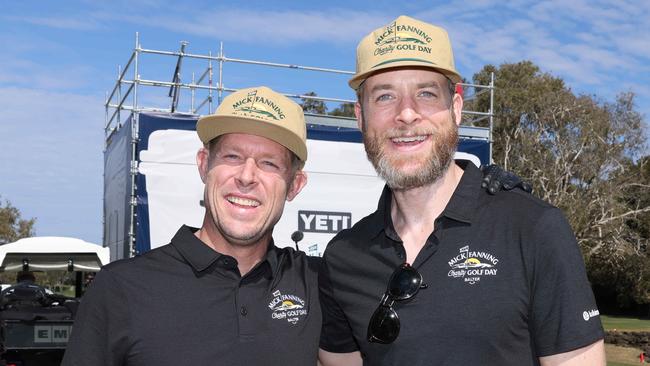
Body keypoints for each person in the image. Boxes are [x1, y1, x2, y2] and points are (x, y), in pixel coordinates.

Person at [318, 15, 605, 366]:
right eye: (384, 96)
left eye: (425, 93)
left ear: (456, 107)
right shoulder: (343, 257)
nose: (406, 114)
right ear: (360, 117)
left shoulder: (533, 229)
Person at [62, 86, 320, 365]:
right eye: (232, 156)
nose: (247, 176)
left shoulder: (318, 285)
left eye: (269, 163)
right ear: (203, 164)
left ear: (295, 185)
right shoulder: (120, 288)